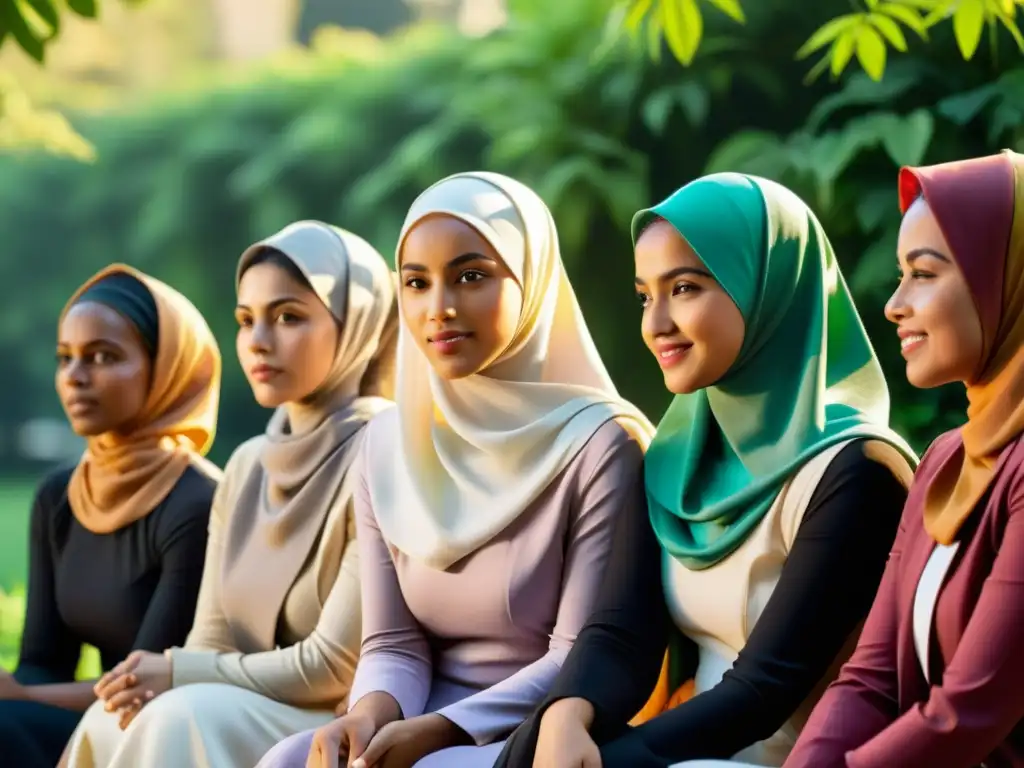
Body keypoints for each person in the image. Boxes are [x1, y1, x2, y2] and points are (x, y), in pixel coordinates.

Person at [496, 172, 917, 768]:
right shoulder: (675, 456)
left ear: (765, 288)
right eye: (646, 295)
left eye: (685, 287)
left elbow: (765, 689)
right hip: (687, 754)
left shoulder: (857, 471)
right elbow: (622, 631)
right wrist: (568, 713)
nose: (656, 323)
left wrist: (611, 761)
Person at [257, 171, 655, 768]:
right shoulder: (388, 443)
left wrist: (441, 731)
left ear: (533, 281)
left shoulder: (600, 444)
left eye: (471, 277)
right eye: (416, 283)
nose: (438, 309)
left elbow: (577, 656)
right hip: (414, 721)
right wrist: (367, 716)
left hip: (540, 729)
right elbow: (393, 641)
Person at [59, 222, 399, 767]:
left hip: (334, 717)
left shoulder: (386, 452)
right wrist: (174, 674)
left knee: (178, 712)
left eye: (288, 317)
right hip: (237, 696)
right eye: (246, 320)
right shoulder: (246, 466)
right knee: (112, 714)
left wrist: (178, 673)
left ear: (355, 325)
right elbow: (210, 638)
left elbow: (333, 664)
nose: (259, 341)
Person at [785, 151, 1024, 767]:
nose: (894, 305)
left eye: (923, 273)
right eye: (900, 273)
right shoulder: (948, 459)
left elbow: (967, 714)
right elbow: (871, 679)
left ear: (1006, 277)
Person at [0, 265, 221, 768]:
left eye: (103, 356)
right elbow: (42, 662)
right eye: (65, 357)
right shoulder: (60, 495)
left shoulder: (198, 502)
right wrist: (16, 689)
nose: (76, 376)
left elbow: (141, 687)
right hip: (78, 717)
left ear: (166, 368)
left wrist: (21, 699)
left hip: (156, 728)